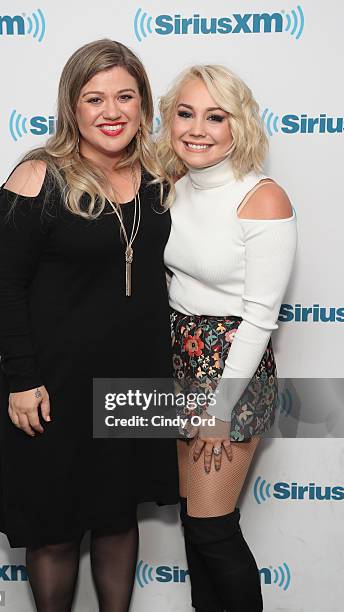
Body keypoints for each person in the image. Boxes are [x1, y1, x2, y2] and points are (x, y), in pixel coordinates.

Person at [0, 39, 179, 612]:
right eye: (94, 98)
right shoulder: (38, 176)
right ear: (71, 108)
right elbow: (5, 285)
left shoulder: (161, 178)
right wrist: (22, 376)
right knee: (54, 525)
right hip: (53, 384)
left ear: (145, 105)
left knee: (119, 516)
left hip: (137, 376)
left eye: (125, 96)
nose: (111, 111)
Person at [159, 65, 297, 611]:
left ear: (238, 126)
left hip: (230, 373)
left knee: (211, 527)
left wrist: (219, 408)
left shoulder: (262, 198)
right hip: (177, 363)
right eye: (185, 113)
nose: (197, 128)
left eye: (215, 116)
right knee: (195, 530)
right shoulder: (172, 190)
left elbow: (260, 318)